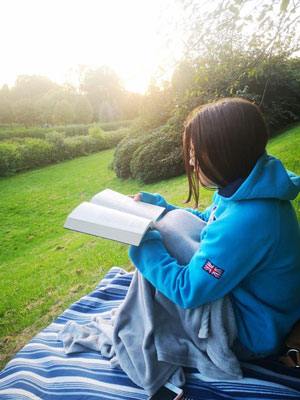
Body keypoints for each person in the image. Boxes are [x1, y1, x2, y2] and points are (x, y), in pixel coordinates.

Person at [129, 97, 300, 360]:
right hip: (265, 308)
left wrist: (144, 245)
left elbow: (187, 291)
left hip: (253, 334)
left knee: (163, 249)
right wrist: (159, 207)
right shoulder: (247, 185)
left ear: (224, 153)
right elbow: (207, 219)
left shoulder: (249, 220)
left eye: (196, 154)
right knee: (170, 226)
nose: (192, 163)